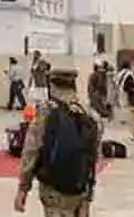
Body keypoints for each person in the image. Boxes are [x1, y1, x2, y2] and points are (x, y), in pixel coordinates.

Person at [15, 68, 101, 216]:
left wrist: (23, 188)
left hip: (53, 188)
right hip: (80, 187)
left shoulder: (45, 113)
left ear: (52, 85)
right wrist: (89, 190)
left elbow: (31, 151)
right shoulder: (89, 114)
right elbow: (94, 154)